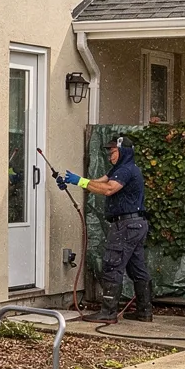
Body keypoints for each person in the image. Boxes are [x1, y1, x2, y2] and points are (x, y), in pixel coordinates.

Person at [60, 136, 151, 324]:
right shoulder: (122, 170)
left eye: (114, 151)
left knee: (112, 265)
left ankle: (108, 313)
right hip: (136, 224)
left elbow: (108, 189)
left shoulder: (126, 170)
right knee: (137, 268)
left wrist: (80, 182)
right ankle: (144, 311)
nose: (110, 155)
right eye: (109, 152)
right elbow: (98, 183)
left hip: (126, 225)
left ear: (124, 151)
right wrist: (73, 181)